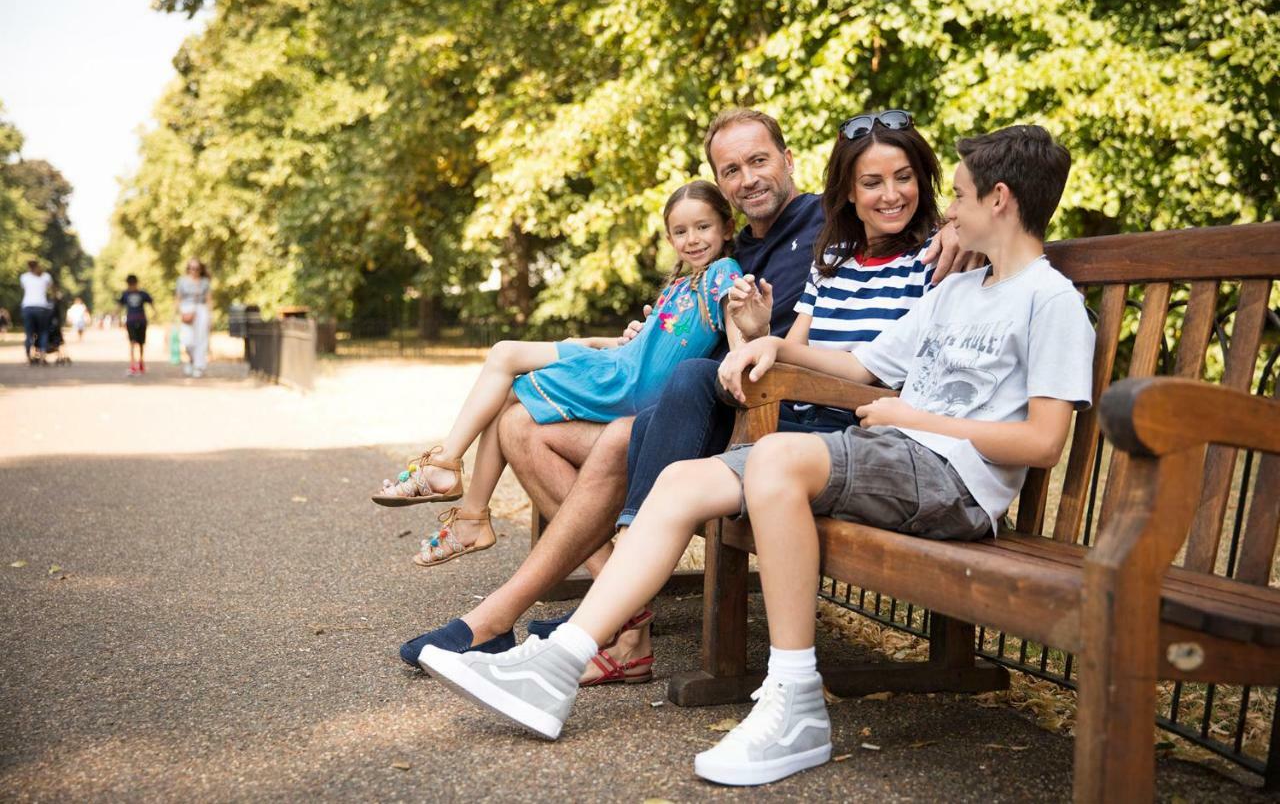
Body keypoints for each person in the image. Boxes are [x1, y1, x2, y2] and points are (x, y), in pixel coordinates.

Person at [418, 124, 1096, 787]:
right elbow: (860, 361)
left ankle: (796, 700)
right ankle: (558, 665)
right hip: (891, 452)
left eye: (959, 195)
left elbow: (1043, 441)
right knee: (682, 481)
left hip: (953, 482)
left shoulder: (1048, 301)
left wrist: (909, 414)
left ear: (999, 200)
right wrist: (774, 342)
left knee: (776, 460)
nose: (948, 207)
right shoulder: (955, 291)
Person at [398, 108, 970, 679]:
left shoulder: (829, 223)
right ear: (720, 185)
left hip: (778, 421)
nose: (747, 178)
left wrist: (956, 226)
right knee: (520, 424)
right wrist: (656, 329)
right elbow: (740, 329)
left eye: (759, 161)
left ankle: (557, 616)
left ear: (790, 161)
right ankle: (603, 614)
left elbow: (909, 215)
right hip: (725, 407)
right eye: (731, 170)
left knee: (626, 434)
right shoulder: (752, 249)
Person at [373, 181, 745, 573]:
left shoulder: (723, 272)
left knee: (505, 363)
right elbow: (641, 345)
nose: (693, 239)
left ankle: (453, 480)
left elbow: (736, 319)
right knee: (505, 382)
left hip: (626, 384)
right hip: (619, 365)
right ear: (669, 238)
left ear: (726, 227)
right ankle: (467, 509)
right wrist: (591, 341)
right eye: (681, 231)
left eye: (703, 227)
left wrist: (741, 354)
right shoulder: (682, 284)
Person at [176, 258, 213, 377]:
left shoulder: (205, 282)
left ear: (200, 269)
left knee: (201, 339)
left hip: (201, 309)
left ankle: (198, 366)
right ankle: (191, 360)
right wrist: (177, 313)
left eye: (196, 268)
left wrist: (210, 316)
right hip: (186, 309)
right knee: (187, 340)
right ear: (188, 269)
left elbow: (209, 299)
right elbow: (178, 297)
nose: (194, 271)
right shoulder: (181, 281)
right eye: (191, 268)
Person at [118, 274, 158, 375]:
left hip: (141, 320)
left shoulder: (142, 293)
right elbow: (119, 306)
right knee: (132, 342)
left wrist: (155, 313)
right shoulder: (125, 294)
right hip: (131, 321)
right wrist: (118, 318)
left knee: (141, 343)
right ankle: (133, 364)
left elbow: (151, 302)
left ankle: (140, 361)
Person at [20, 259, 55, 365]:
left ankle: (28, 356)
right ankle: (42, 356)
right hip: (41, 308)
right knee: (43, 332)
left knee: (29, 333)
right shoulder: (46, 276)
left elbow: (24, 288)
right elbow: (52, 289)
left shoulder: (24, 277)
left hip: (28, 307)